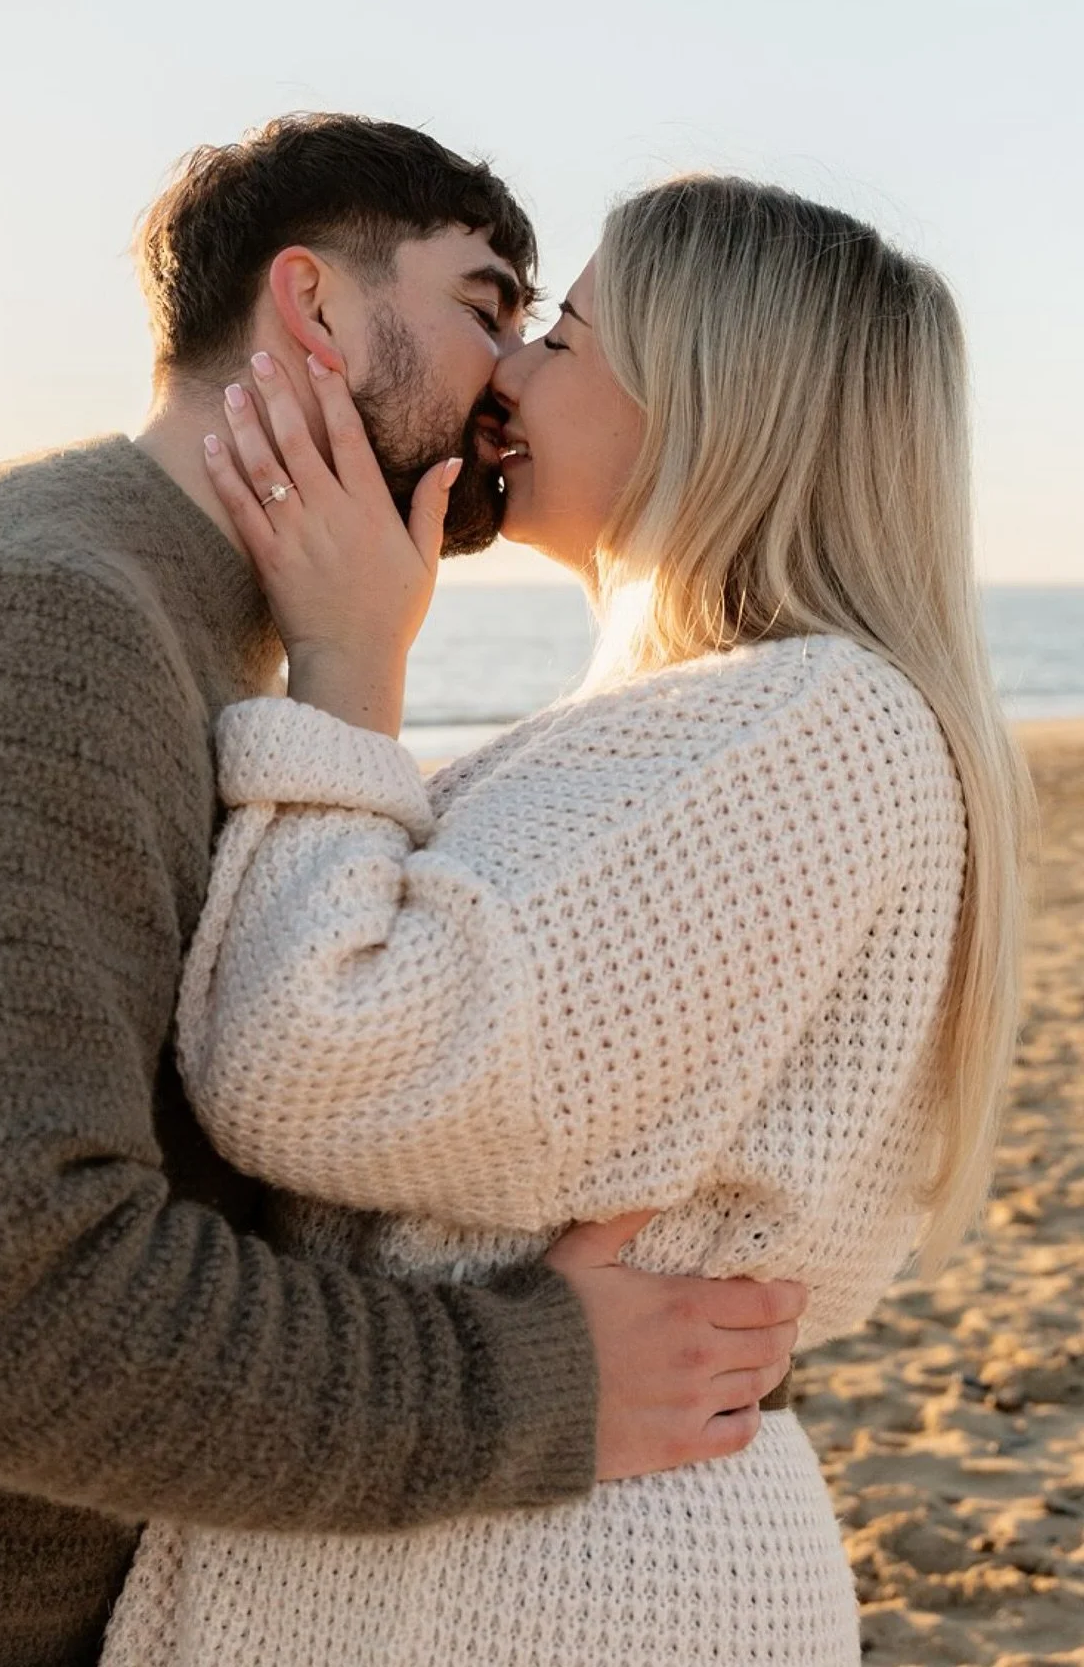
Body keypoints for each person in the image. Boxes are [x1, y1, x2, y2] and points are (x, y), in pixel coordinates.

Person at [0, 121, 802, 1667]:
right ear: (316, 311)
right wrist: (533, 1384)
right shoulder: (29, 621)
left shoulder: (196, 626)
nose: (517, 377)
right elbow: (0, 1316)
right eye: (487, 306)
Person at [100, 174, 1030, 1666]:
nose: (509, 373)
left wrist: (347, 671)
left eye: (569, 338)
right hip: (500, 1544)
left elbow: (315, 1057)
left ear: (713, 402)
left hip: (541, 1581)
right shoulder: (703, 729)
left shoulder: (803, 724)